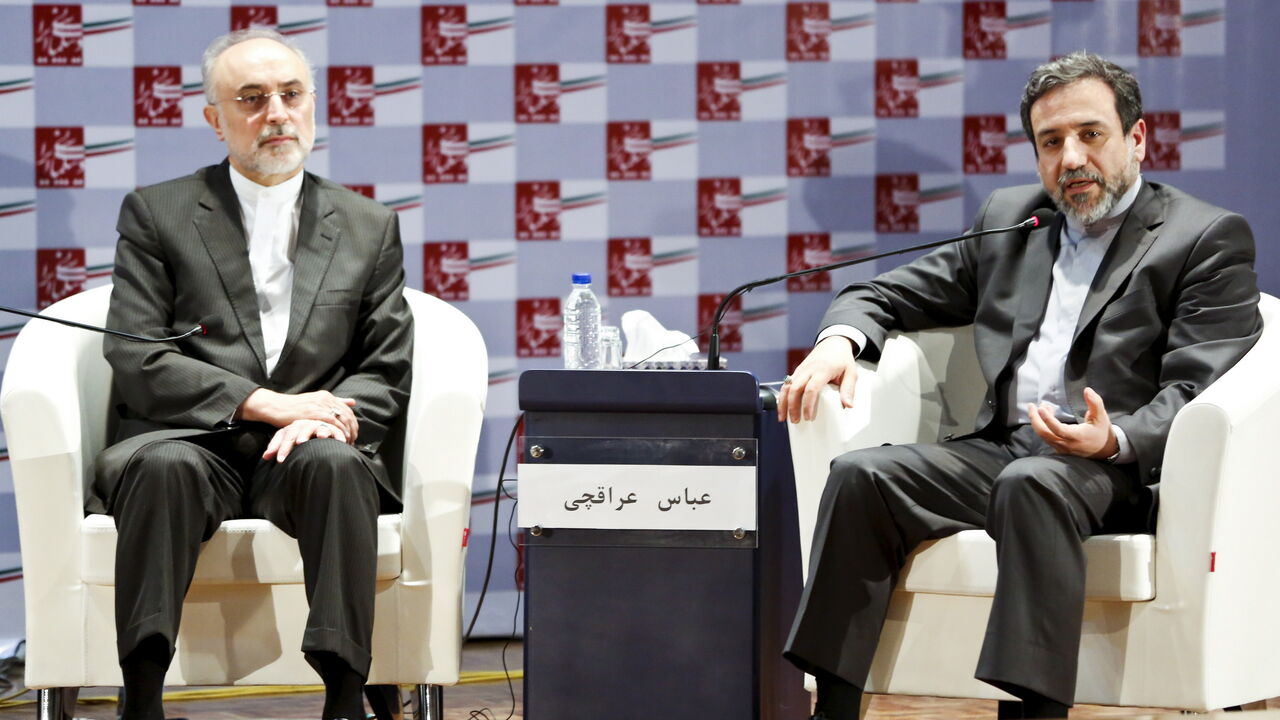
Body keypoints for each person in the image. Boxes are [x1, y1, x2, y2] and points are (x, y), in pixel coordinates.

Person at [777, 51, 1261, 720]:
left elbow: (1198, 387)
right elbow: (883, 293)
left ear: (1137, 139)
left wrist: (1113, 437)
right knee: (863, 476)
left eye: (1090, 134)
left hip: (1113, 469)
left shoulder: (1202, 237)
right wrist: (838, 342)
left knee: (1031, 483)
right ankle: (831, 707)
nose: (1071, 158)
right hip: (1004, 450)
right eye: (1051, 141)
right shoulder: (1016, 220)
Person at [88, 28, 413, 720]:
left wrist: (331, 415)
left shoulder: (369, 225)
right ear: (215, 119)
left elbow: (383, 367)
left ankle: (346, 696)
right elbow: (139, 356)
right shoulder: (158, 213)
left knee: (337, 465)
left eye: (292, 95)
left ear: (314, 106)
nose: (277, 113)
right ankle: (140, 696)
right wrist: (263, 403)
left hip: (300, 452)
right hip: (190, 438)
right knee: (164, 468)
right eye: (253, 98)